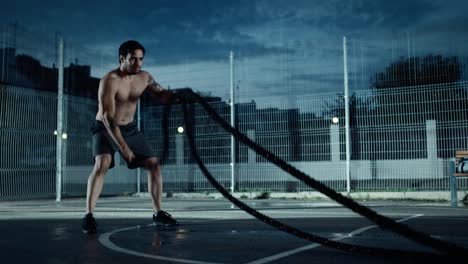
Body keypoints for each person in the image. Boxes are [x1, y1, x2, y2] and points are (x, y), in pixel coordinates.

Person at [82, 40, 178, 234]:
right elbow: (109, 119)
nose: (138, 64)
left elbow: (162, 95)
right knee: (102, 163)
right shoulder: (109, 81)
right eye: (133, 59)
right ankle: (88, 215)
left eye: (141, 59)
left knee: (154, 165)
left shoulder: (145, 78)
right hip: (105, 128)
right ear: (122, 58)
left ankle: (158, 212)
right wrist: (125, 150)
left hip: (130, 128)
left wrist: (178, 94)